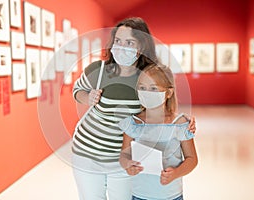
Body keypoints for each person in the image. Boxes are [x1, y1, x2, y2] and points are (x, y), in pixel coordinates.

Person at [71, 17, 196, 200]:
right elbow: (77, 90)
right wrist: (87, 97)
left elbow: (163, 98)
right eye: (118, 41)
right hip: (87, 151)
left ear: (141, 47)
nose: (121, 46)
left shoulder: (148, 76)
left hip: (125, 156)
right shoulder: (98, 70)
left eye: (130, 42)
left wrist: (184, 122)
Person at [118, 64, 198, 200]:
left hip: (171, 195)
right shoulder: (133, 123)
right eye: (142, 88)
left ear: (169, 93)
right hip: (139, 195)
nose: (147, 92)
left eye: (154, 88)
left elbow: (192, 159)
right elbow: (123, 156)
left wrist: (176, 173)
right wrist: (127, 165)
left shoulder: (180, 124)